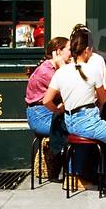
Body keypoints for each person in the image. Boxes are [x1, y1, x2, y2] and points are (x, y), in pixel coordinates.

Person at [43, 24, 106, 197]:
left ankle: (98, 175)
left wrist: (58, 111)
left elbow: (46, 100)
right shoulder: (93, 70)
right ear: (86, 50)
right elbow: (102, 99)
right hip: (89, 122)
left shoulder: (61, 72)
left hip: (70, 122)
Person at [25, 35, 70, 180]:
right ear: (58, 52)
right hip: (40, 115)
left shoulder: (55, 68)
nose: (73, 53)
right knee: (74, 129)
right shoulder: (47, 72)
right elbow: (70, 90)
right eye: (69, 50)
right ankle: (72, 173)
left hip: (50, 112)